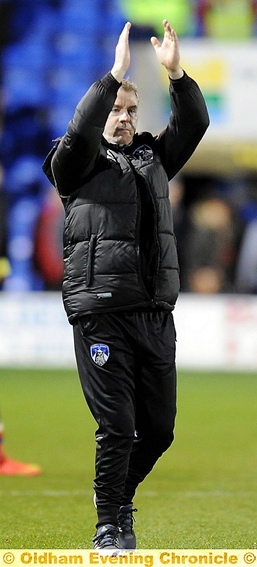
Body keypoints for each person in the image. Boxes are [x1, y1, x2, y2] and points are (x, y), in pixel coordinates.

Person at [43, 20, 209, 550]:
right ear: (98, 114)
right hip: (100, 311)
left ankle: (113, 495)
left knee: (159, 431)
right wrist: (114, 76)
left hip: (155, 312)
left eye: (131, 110)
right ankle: (111, 524)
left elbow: (196, 122)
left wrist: (176, 75)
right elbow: (78, 133)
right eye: (115, 109)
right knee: (117, 425)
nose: (124, 117)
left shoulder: (153, 158)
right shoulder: (72, 163)